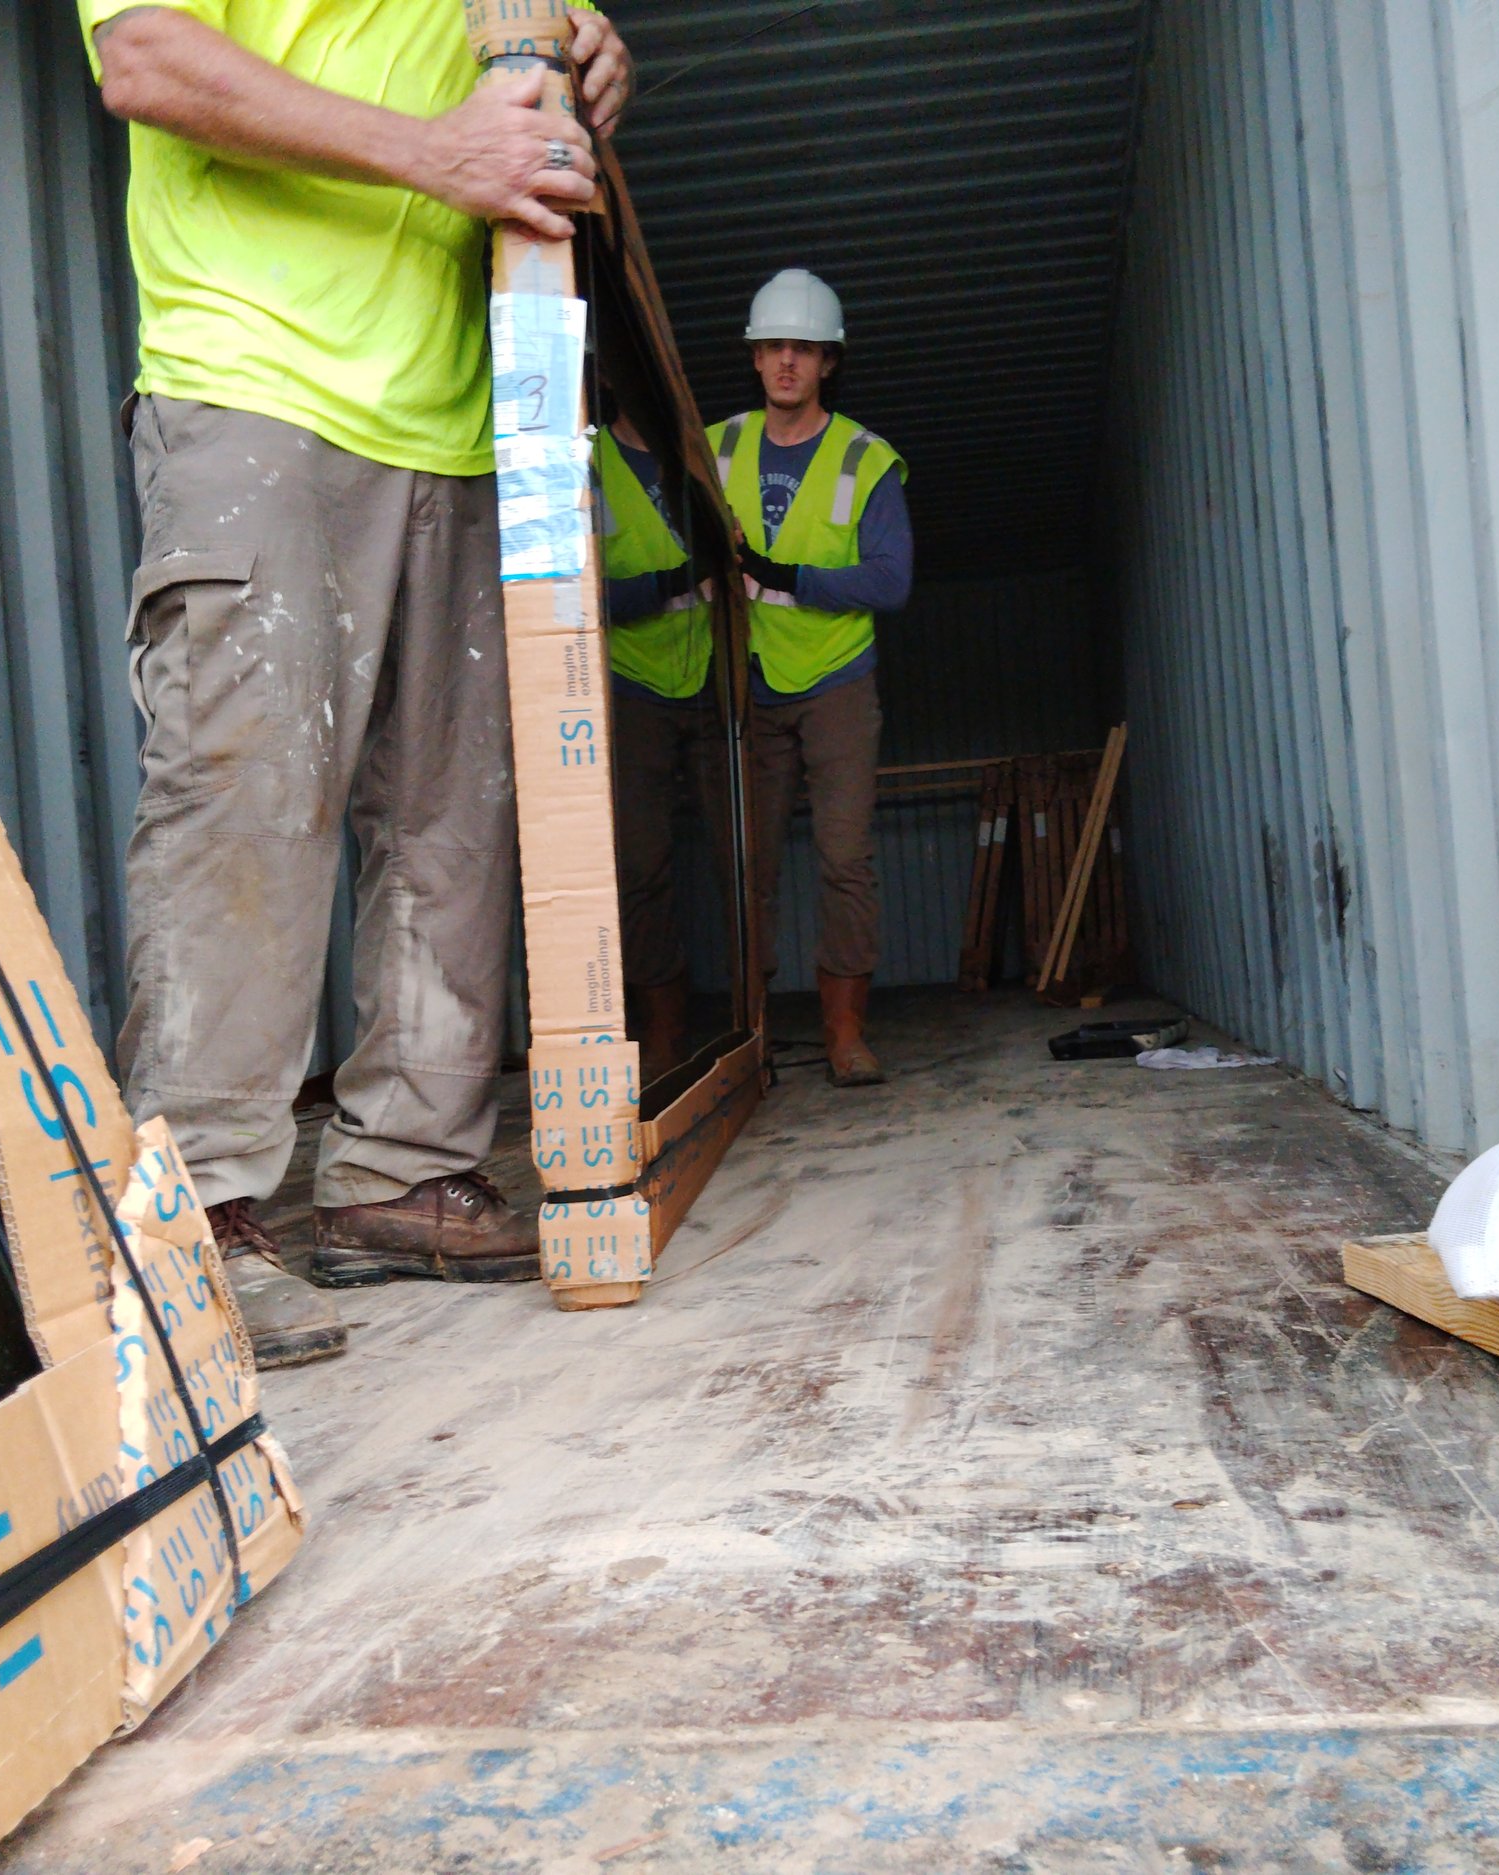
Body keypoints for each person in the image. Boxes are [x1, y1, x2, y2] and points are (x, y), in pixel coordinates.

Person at [81, 2, 634, 1366]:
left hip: (456, 412)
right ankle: (197, 1221)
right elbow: (144, 61)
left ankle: (399, 1175)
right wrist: (439, 154)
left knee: (453, 822)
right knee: (249, 803)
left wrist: (585, 62)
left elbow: (511, 93)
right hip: (260, 376)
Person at [708, 271, 913, 1086]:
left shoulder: (866, 458)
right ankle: (750, 1034)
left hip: (835, 681)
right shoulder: (716, 447)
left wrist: (786, 575)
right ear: (755, 358)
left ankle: (843, 1032)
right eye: (773, 347)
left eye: (803, 348)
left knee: (843, 857)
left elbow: (891, 582)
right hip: (748, 681)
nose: (786, 361)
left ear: (828, 361)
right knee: (746, 862)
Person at [598, 412, 731, 1079]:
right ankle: (665, 1034)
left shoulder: (707, 459)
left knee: (742, 856)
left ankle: (753, 1023)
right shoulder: (588, 464)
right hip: (632, 683)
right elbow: (578, 588)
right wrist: (671, 583)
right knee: (641, 863)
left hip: (714, 674)